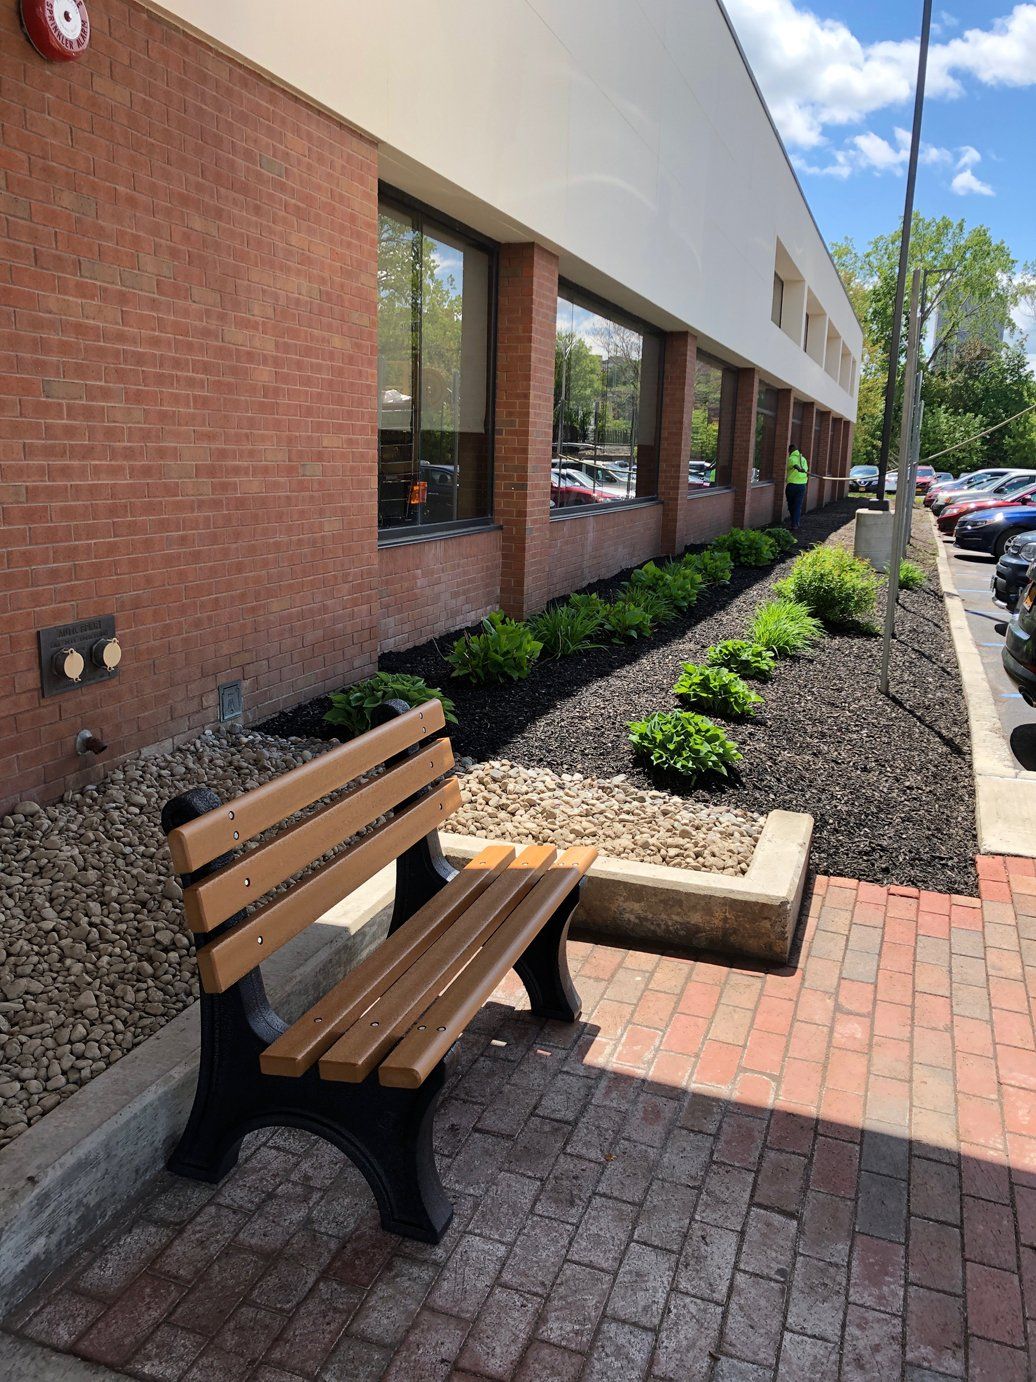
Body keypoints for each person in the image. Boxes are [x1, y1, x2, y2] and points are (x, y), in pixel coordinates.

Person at [785, 443, 809, 529]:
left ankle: (794, 523)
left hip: (792, 486)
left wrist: (799, 469)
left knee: (791, 505)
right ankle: (795, 522)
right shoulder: (804, 459)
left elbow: (795, 466)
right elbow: (803, 469)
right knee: (798, 506)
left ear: (790, 450)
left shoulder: (791, 458)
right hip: (802, 486)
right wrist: (801, 470)